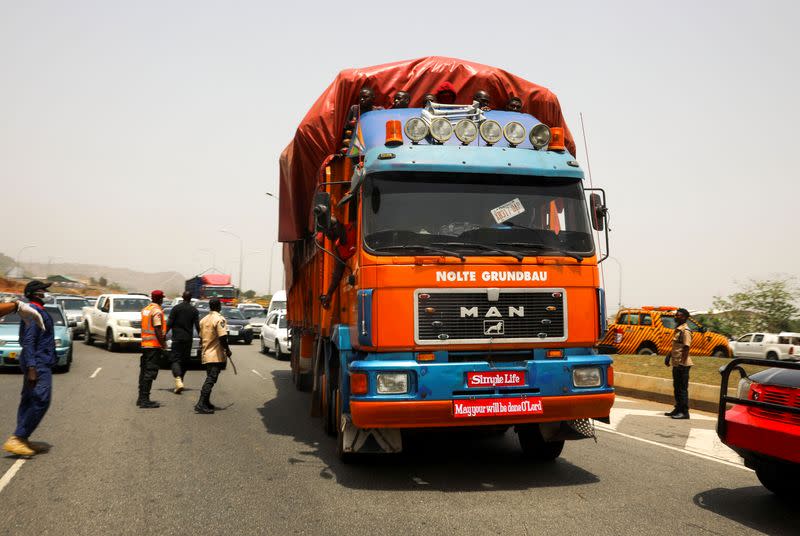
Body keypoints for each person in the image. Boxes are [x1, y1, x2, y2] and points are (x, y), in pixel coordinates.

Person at [3, 281, 56, 457]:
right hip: (38, 363)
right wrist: (32, 367)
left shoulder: (35, 311)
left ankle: (22, 439)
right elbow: (28, 341)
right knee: (41, 399)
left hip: (36, 361)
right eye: (43, 291)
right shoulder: (33, 312)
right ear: (34, 293)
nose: (46, 293)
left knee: (28, 399)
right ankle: (18, 437)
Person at [196, 298, 231, 414]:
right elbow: (222, 337)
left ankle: (206, 402)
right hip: (215, 355)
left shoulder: (204, 320)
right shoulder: (219, 319)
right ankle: (201, 403)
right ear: (218, 306)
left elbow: (201, 338)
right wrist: (227, 350)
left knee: (210, 377)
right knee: (211, 379)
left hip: (206, 354)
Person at [318, 216, 356, 309]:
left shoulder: (355, 227)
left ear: (336, 227)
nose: (327, 236)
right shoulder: (339, 248)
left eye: (328, 231)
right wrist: (329, 294)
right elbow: (337, 274)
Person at [166, 291, 200, 394]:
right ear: (190, 298)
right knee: (185, 361)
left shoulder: (176, 308)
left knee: (175, 360)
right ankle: (180, 380)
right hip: (188, 340)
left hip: (177, 339)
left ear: (182, 297)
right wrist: (201, 337)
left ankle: (178, 379)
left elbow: (169, 324)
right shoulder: (194, 310)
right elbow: (197, 326)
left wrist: (163, 335)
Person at [137, 290, 166, 408]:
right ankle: (145, 400)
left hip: (145, 345)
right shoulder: (156, 311)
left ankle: (141, 398)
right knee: (150, 372)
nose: (163, 300)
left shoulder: (146, 309)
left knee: (144, 372)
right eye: (162, 298)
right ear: (159, 299)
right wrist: (163, 344)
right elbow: (157, 329)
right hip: (153, 346)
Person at [664, 308, 693, 419]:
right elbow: (676, 347)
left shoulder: (685, 331)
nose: (676, 317)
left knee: (682, 389)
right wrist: (668, 356)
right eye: (676, 315)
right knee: (676, 387)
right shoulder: (678, 330)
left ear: (685, 317)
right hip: (676, 363)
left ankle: (684, 412)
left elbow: (686, 348)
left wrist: (682, 363)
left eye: (679, 315)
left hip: (683, 365)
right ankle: (678, 409)